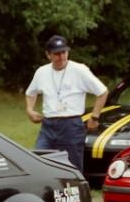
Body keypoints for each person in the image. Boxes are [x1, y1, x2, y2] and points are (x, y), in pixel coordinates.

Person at [25, 35, 108, 173]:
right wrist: (30, 110)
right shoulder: (42, 72)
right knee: (40, 160)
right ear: (48, 55)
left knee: (72, 166)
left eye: (64, 52)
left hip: (71, 125)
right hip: (48, 126)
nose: (61, 57)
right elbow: (31, 93)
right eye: (57, 54)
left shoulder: (79, 70)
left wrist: (94, 117)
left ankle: (79, 193)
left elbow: (102, 92)